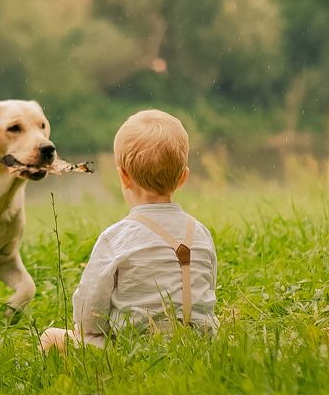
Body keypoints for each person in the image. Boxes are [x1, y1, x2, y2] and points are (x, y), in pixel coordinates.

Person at [40, 109, 219, 352]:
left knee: (51, 337)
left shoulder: (115, 240)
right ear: (182, 178)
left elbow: (87, 317)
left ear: (123, 177)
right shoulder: (200, 233)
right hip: (200, 344)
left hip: (133, 347)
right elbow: (207, 292)